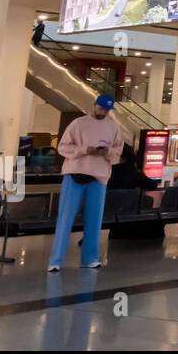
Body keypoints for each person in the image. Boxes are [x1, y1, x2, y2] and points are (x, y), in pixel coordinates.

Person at [47, 94, 123, 272]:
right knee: (65, 218)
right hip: (75, 174)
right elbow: (63, 147)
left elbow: (117, 152)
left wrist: (107, 152)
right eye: (101, 107)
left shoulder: (113, 127)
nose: (103, 112)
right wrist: (84, 150)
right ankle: (56, 260)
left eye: (107, 109)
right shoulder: (78, 124)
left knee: (94, 220)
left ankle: (89, 258)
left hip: (99, 177)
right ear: (95, 104)